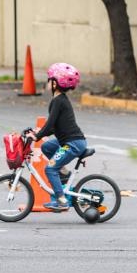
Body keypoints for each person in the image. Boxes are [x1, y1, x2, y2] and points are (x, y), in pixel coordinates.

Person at [30, 62, 86, 211]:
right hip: (70, 141)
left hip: (73, 144)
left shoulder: (58, 101)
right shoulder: (59, 101)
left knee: (50, 169)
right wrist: (38, 134)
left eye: (50, 79)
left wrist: (37, 136)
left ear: (55, 83)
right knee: (46, 146)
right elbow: (53, 127)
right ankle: (64, 174)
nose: (47, 82)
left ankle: (61, 200)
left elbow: (49, 125)